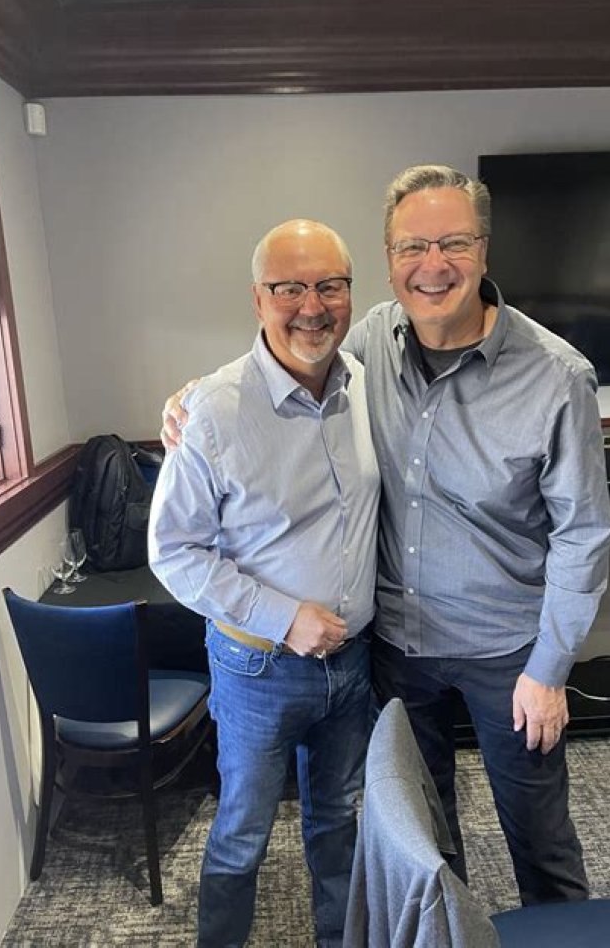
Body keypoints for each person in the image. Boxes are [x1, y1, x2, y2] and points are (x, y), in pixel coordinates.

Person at [161, 165, 610, 907]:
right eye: (411, 247)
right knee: (422, 837)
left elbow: (583, 535)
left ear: (484, 251)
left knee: (540, 838)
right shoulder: (369, 338)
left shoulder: (557, 377)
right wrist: (191, 398)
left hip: (509, 655)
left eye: (453, 243)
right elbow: (284, 350)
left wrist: (551, 667)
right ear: (389, 257)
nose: (433, 265)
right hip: (398, 651)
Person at [148, 219, 379, 948]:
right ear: (258, 300)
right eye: (289, 288)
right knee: (242, 832)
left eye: (329, 285)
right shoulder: (214, 411)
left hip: (353, 664)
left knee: (339, 822)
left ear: (350, 293)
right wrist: (282, 616)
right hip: (258, 668)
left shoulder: (367, 384)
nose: (312, 306)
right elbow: (173, 552)